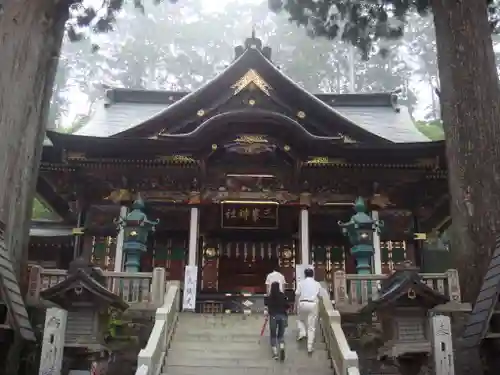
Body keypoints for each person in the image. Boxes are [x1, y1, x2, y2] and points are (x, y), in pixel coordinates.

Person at [295, 268, 321, 354]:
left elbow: (297, 294)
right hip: (313, 304)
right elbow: (320, 295)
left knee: (300, 319)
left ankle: (302, 332)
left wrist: (296, 305)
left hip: (302, 303)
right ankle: (309, 346)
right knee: (311, 327)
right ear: (313, 274)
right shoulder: (317, 284)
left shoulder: (300, 283)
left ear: (305, 275)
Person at [264, 281, 289, 360]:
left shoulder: (269, 297)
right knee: (281, 336)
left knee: (273, 335)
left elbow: (266, 307)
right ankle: (281, 347)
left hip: (273, 316)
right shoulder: (282, 295)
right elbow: (287, 306)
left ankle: (275, 353)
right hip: (282, 316)